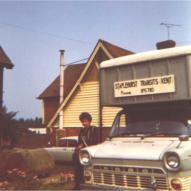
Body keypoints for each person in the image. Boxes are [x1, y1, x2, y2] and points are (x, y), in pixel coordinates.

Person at [72, 112, 99, 190]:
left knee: (89, 169)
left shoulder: (94, 129)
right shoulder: (81, 131)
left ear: (89, 121)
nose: (84, 123)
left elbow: (96, 142)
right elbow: (79, 142)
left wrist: (82, 145)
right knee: (76, 164)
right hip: (83, 153)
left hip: (91, 152)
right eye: (83, 121)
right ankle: (78, 184)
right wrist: (77, 147)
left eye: (86, 121)